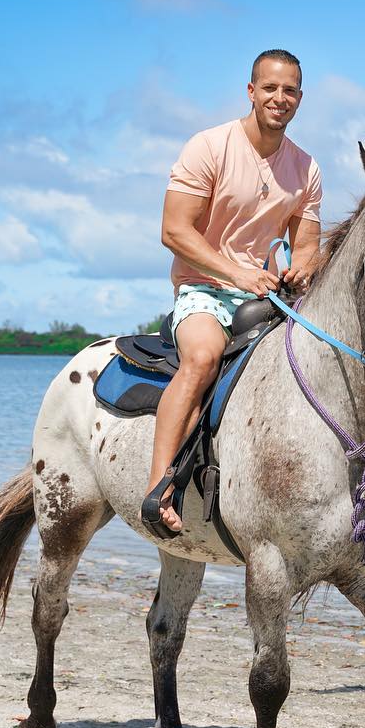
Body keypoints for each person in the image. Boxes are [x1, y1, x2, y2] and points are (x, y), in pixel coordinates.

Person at [143, 48, 321, 539]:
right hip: (203, 288)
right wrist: (237, 274)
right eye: (270, 88)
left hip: (265, 298)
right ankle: (159, 488)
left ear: (300, 99)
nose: (279, 98)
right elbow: (174, 231)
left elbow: (307, 248)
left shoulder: (306, 169)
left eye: (289, 91)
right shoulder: (208, 146)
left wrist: (302, 273)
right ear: (251, 91)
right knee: (202, 359)